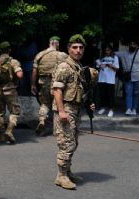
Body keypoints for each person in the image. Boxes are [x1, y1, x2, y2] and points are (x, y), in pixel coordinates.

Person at [51, 34, 95, 190]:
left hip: (75, 109)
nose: (78, 50)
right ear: (69, 49)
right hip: (66, 109)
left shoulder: (78, 66)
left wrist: (88, 104)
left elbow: (79, 90)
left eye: (81, 48)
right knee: (66, 143)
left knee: (74, 142)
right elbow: (57, 90)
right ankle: (61, 176)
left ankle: (67, 171)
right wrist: (62, 111)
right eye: (75, 47)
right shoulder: (64, 66)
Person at [31, 36, 68, 135]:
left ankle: (42, 120)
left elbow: (34, 71)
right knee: (57, 104)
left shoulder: (40, 55)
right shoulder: (62, 55)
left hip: (43, 82)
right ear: (57, 44)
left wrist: (33, 84)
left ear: (49, 43)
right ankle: (57, 129)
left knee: (45, 103)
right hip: (57, 83)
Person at [0, 41, 23, 144]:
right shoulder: (13, 62)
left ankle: (1, 135)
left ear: (0, 50)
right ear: (10, 50)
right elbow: (19, 75)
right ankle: (9, 131)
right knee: (14, 111)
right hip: (10, 90)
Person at [115, 40, 139, 115]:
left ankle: (134, 109)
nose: (132, 45)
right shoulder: (124, 53)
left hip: (138, 76)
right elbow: (113, 53)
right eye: (130, 44)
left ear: (137, 46)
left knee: (136, 93)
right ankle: (128, 109)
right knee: (128, 93)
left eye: (134, 44)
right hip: (128, 76)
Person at [95, 44, 119, 117]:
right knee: (103, 94)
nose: (106, 51)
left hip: (110, 80)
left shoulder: (115, 58)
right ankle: (103, 107)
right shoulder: (101, 58)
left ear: (111, 50)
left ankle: (111, 109)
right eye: (105, 50)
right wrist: (100, 65)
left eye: (108, 50)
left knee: (110, 95)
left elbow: (117, 68)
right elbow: (98, 67)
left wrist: (110, 66)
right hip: (102, 79)